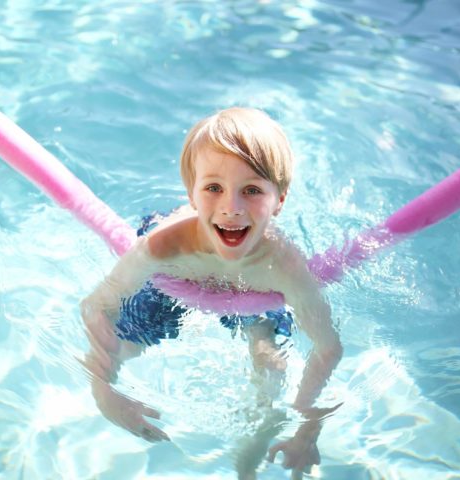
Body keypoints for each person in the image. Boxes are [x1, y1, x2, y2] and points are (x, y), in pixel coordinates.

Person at [80, 107, 343, 478]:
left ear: (280, 200)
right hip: (173, 282)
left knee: (272, 364)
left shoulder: (282, 266)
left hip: (255, 291)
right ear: (191, 195)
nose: (231, 208)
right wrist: (103, 390)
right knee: (125, 345)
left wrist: (307, 425)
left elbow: (328, 347)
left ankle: (247, 465)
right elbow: (97, 307)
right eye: (213, 188)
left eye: (251, 190)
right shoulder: (163, 247)